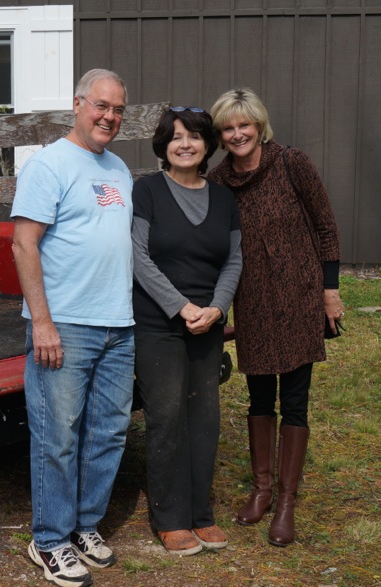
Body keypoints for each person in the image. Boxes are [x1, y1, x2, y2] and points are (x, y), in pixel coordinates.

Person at [11, 69, 135, 587]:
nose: (109, 116)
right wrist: (42, 322)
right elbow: (23, 243)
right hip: (66, 325)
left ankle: (85, 525)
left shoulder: (120, 168)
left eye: (118, 109)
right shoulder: (48, 165)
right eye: (101, 106)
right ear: (79, 104)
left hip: (119, 325)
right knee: (57, 436)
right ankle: (50, 540)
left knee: (107, 431)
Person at [208, 88, 343, 547]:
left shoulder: (291, 163)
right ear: (221, 135)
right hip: (253, 301)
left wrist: (330, 292)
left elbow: (325, 226)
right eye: (228, 127)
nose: (238, 133)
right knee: (260, 397)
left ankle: (287, 499)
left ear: (259, 125)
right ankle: (262, 489)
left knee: (296, 400)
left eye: (244, 124)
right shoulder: (218, 180)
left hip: (301, 294)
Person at [132, 107, 242, 556]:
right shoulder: (149, 191)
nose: (185, 144)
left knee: (205, 420)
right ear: (164, 144)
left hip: (208, 324)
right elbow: (138, 256)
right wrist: (181, 307)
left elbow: (233, 260)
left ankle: (201, 513)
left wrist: (217, 308)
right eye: (176, 137)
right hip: (158, 322)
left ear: (206, 145)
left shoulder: (223, 199)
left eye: (194, 137)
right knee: (167, 416)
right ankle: (171, 517)